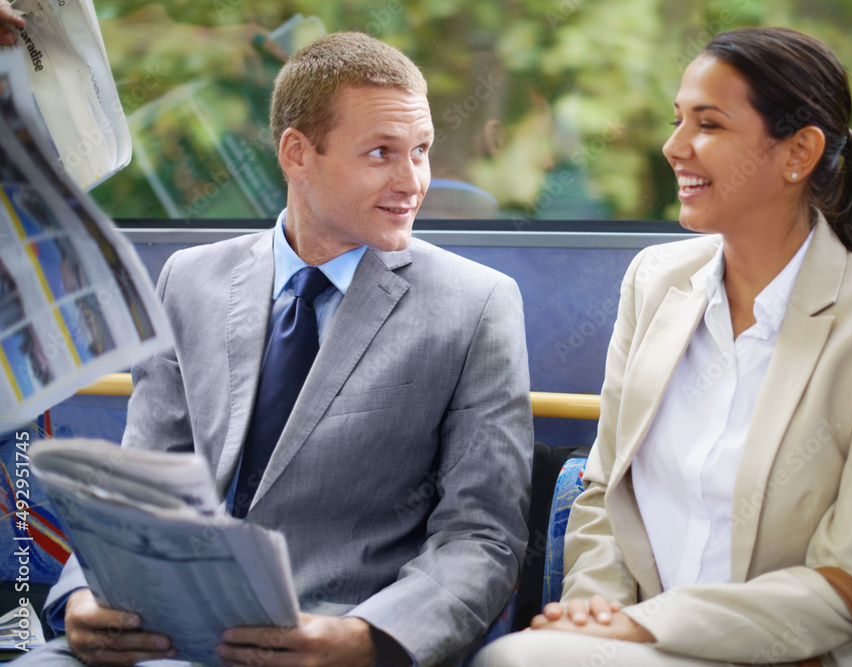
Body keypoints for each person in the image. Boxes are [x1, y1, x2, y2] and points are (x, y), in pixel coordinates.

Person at [19, 32, 533, 667]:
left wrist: (364, 639)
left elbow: (481, 536)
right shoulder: (190, 278)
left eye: (422, 152)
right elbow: (136, 485)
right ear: (297, 153)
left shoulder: (477, 304)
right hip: (158, 630)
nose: (413, 182)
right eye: (382, 153)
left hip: (329, 639)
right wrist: (80, 599)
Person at [475, 26, 852, 667]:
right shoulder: (655, 280)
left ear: (797, 152)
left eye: (709, 124)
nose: (674, 147)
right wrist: (596, 610)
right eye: (677, 121)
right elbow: (604, 491)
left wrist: (645, 629)